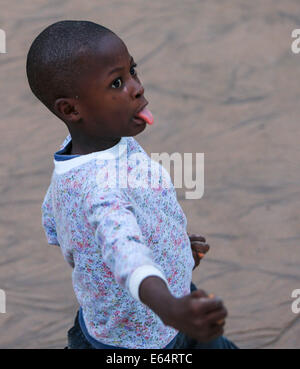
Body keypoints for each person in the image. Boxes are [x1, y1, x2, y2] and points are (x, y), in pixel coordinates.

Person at [26, 20, 238, 349]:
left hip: (166, 300)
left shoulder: (96, 141)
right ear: (71, 109)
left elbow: (60, 227)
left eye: (132, 71)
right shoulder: (98, 188)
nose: (137, 87)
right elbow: (127, 257)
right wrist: (171, 309)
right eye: (116, 83)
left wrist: (171, 247)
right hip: (146, 336)